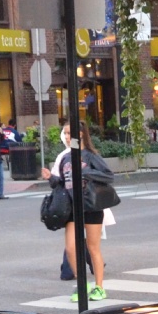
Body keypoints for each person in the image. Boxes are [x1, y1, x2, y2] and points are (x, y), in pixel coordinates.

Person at [43, 122, 114, 302]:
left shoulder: (90, 156)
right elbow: (61, 183)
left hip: (90, 206)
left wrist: (85, 173)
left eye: (69, 133)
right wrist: (51, 178)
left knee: (92, 247)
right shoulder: (67, 158)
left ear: (81, 134)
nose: (67, 137)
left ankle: (99, 287)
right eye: (65, 133)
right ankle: (82, 284)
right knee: (70, 249)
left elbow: (108, 175)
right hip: (72, 207)